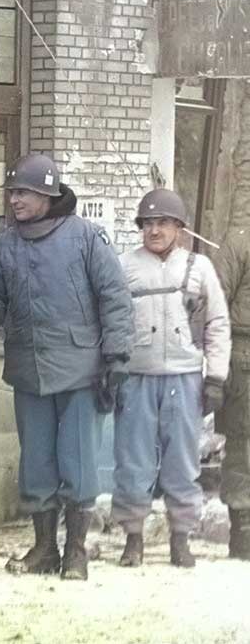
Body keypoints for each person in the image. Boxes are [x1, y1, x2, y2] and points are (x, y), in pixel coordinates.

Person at [0, 153, 133, 581]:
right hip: (28, 370)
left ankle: (76, 552)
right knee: (37, 464)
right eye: (11, 193)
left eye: (23, 192)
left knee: (77, 462)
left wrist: (117, 356)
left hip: (82, 371)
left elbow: (115, 298)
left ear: (48, 193)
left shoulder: (86, 237)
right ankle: (44, 549)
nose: (15, 201)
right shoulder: (3, 246)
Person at [113, 189, 230, 568]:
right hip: (136, 378)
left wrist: (215, 376)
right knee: (133, 460)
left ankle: (181, 539)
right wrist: (110, 367)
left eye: (162, 222)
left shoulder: (199, 268)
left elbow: (217, 324)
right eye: (148, 223)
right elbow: (111, 321)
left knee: (182, 462)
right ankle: (133, 539)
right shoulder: (124, 266)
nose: (154, 230)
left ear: (178, 227)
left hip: (184, 378)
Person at [213, 226, 250, 560]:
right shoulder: (240, 241)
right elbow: (215, 304)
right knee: (244, 447)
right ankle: (243, 535)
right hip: (245, 359)